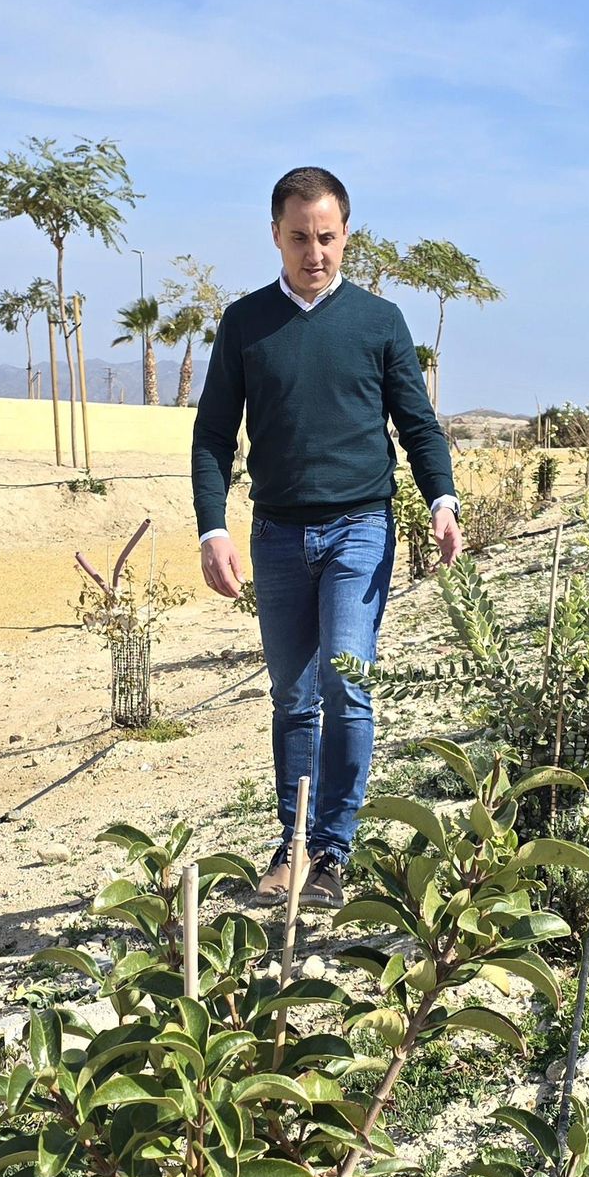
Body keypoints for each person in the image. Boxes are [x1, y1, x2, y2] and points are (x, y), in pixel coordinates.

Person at [191, 166, 463, 909]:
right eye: (301, 238)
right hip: (277, 535)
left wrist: (442, 500)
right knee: (292, 697)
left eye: (329, 237)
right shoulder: (246, 324)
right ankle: (294, 842)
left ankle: (333, 851)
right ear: (275, 235)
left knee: (348, 686)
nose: (316, 252)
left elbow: (417, 424)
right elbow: (214, 433)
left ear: (348, 235)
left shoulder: (380, 322)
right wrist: (212, 526)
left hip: (360, 529)